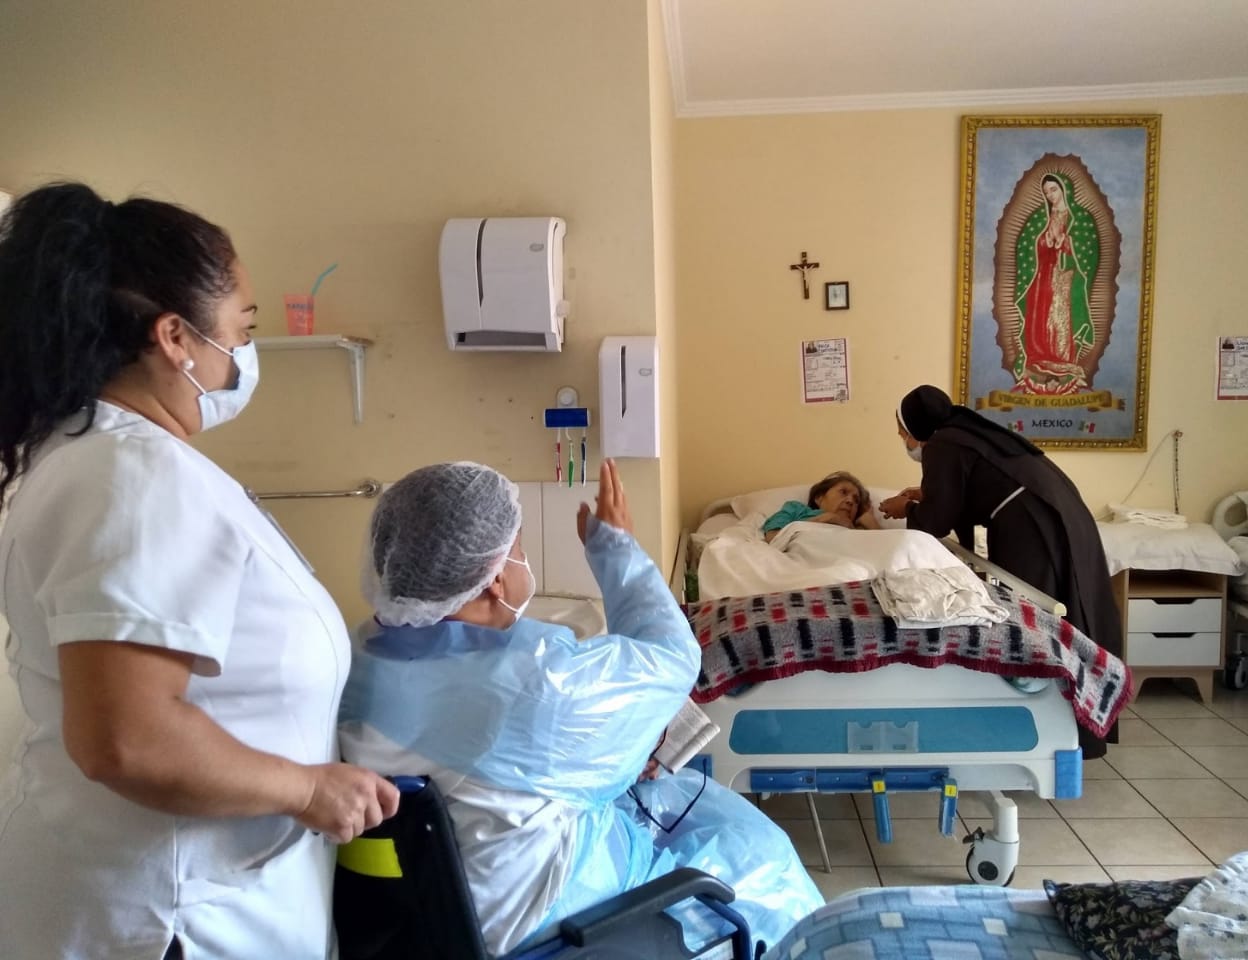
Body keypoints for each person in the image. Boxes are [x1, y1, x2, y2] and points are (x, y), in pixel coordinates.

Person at [0, 182, 399, 959]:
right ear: (175, 337)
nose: (244, 356)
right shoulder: (131, 476)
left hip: (184, 894)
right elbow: (129, 738)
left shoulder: (103, 459)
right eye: (242, 329)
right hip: (168, 917)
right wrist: (308, 788)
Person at [339, 459, 822, 956]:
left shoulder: (357, 658)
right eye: (519, 549)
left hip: (432, 910)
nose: (524, 560)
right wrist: (617, 548)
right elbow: (672, 658)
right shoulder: (541, 686)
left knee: (672, 799)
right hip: (544, 925)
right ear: (496, 580)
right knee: (761, 860)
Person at [879, 385, 1122, 758]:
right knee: (1066, 611)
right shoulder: (964, 433)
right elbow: (967, 491)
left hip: (1034, 527)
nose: (904, 441)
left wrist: (906, 510)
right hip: (1056, 514)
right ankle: (1072, 724)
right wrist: (926, 495)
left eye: (902, 433)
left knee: (1035, 621)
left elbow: (937, 520)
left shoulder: (942, 445)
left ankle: (1049, 728)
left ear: (916, 426)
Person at [1013, 173, 1100, 395]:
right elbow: (1028, 246)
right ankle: (1040, 360)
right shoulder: (1041, 218)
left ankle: (1062, 362)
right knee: (1041, 319)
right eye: (1046, 192)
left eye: (1054, 190)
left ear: (1064, 189)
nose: (1051, 195)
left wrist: (1067, 243)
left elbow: (1088, 251)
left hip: (1066, 277)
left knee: (1060, 319)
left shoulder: (1079, 218)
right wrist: (1045, 241)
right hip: (1043, 277)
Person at [762, 470, 880, 543]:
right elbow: (772, 538)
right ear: (819, 498)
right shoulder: (796, 509)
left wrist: (872, 524)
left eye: (856, 500)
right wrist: (824, 519)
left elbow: (883, 553)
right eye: (843, 492)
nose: (850, 501)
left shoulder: (856, 529)